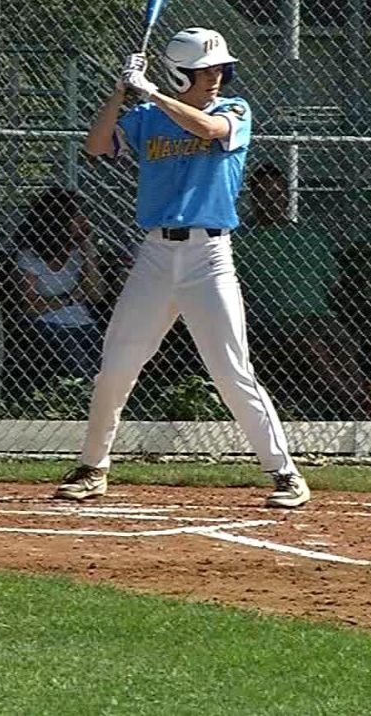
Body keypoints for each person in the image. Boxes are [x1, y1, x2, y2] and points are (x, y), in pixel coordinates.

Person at [54, 27, 309, 509]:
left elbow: (208, 131)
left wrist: (149, 90)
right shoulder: (147, 118)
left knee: (231, 369)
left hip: (208, 257)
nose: (215, 77)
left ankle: (285, 473)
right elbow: (95, 144)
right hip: (154, 254)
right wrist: (121, 90)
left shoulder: (235, 111)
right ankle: (93, 468)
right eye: (204, 70)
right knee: (116, 367)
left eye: (219, 69)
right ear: (179, 74)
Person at [235, 163, 369, 410]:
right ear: (253, 199)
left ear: (286, 195)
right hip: (275, 318)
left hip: (318, 313)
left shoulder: (308, 236)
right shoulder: (242, 241)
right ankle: (352, 403)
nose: (271, 202)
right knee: (312, 345)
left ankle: (361, 397)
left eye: (277, 194)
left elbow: (333, 282)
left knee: (344, 343)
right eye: (263, 195)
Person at [7, 187, 108, 381]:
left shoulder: (77, 254)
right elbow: (31, 307)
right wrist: (69, 299)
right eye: (77, 216)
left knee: (107, 366)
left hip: (83, 322)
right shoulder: (29, 257)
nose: (83, 221)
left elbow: (96, 294)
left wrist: (89, 250)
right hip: (48, 323)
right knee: (81, 370)